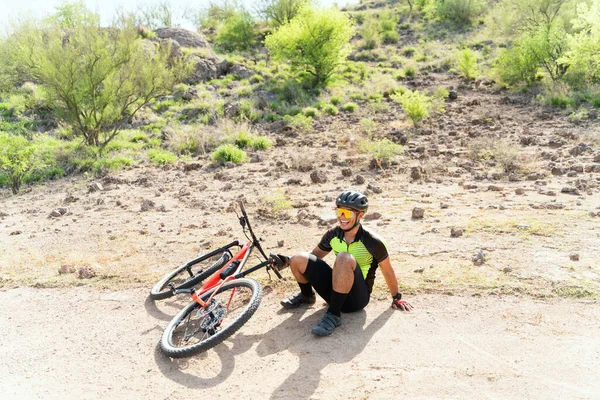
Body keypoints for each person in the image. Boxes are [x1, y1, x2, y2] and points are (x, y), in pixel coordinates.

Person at [269, 190, 413, 337]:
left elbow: (387, 270)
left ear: (360, 215)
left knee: (344, 258)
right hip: (334, 291)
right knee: (298, 257)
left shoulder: (373, 241)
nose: (342, 217)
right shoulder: (333, 234)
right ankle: (307, 296)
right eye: (339, 212)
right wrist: (287, 262)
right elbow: (313, 258)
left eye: (348, 213)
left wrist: (397, 297)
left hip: (357, 299)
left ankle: (334, 315)